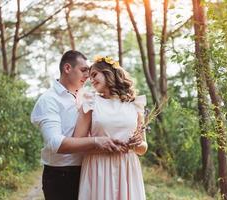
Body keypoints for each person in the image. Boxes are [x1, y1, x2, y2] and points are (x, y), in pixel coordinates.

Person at [30, 51, 142, 200]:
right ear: (67, 68)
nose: (88, 77)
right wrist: (97, 141)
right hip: (62, 175)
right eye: (84, 70)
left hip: (91, 170)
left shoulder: (88, 97)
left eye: (91, 73)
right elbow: (55, 143)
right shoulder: (48, 100)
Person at [74, 56, 148, 200]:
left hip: (127, 169)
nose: (91, 79)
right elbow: (77, 144)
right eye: (90, 77)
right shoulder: (90, 102)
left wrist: (137, 144)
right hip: (98, 168)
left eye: (94, 74)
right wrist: (102, 145)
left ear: (108, 72)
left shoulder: (135, 104)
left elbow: (143, 148)